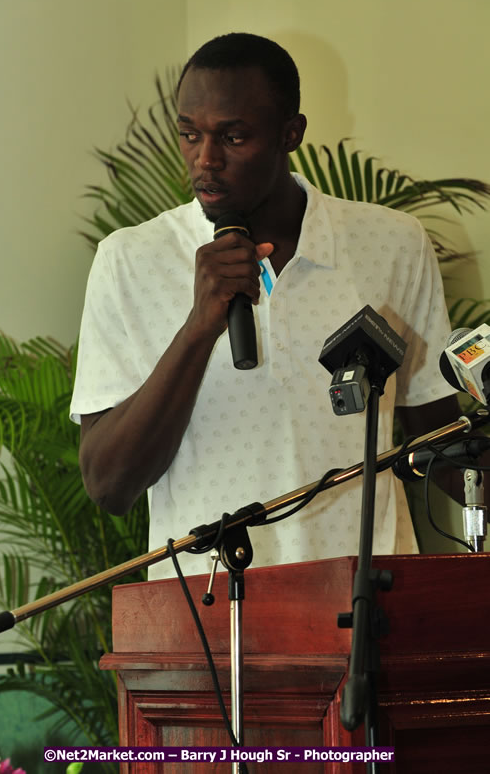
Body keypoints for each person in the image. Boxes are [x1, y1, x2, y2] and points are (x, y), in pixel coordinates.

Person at [70, 33, 460, 580]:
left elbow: (439, 447)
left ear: (290, 133)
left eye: (233, 137)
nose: (205, 160)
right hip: (208, 619)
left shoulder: (391, 242)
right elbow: (109, 486)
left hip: (367, 606)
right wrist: (198, 328)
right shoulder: (129, 261)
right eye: (189, 134)